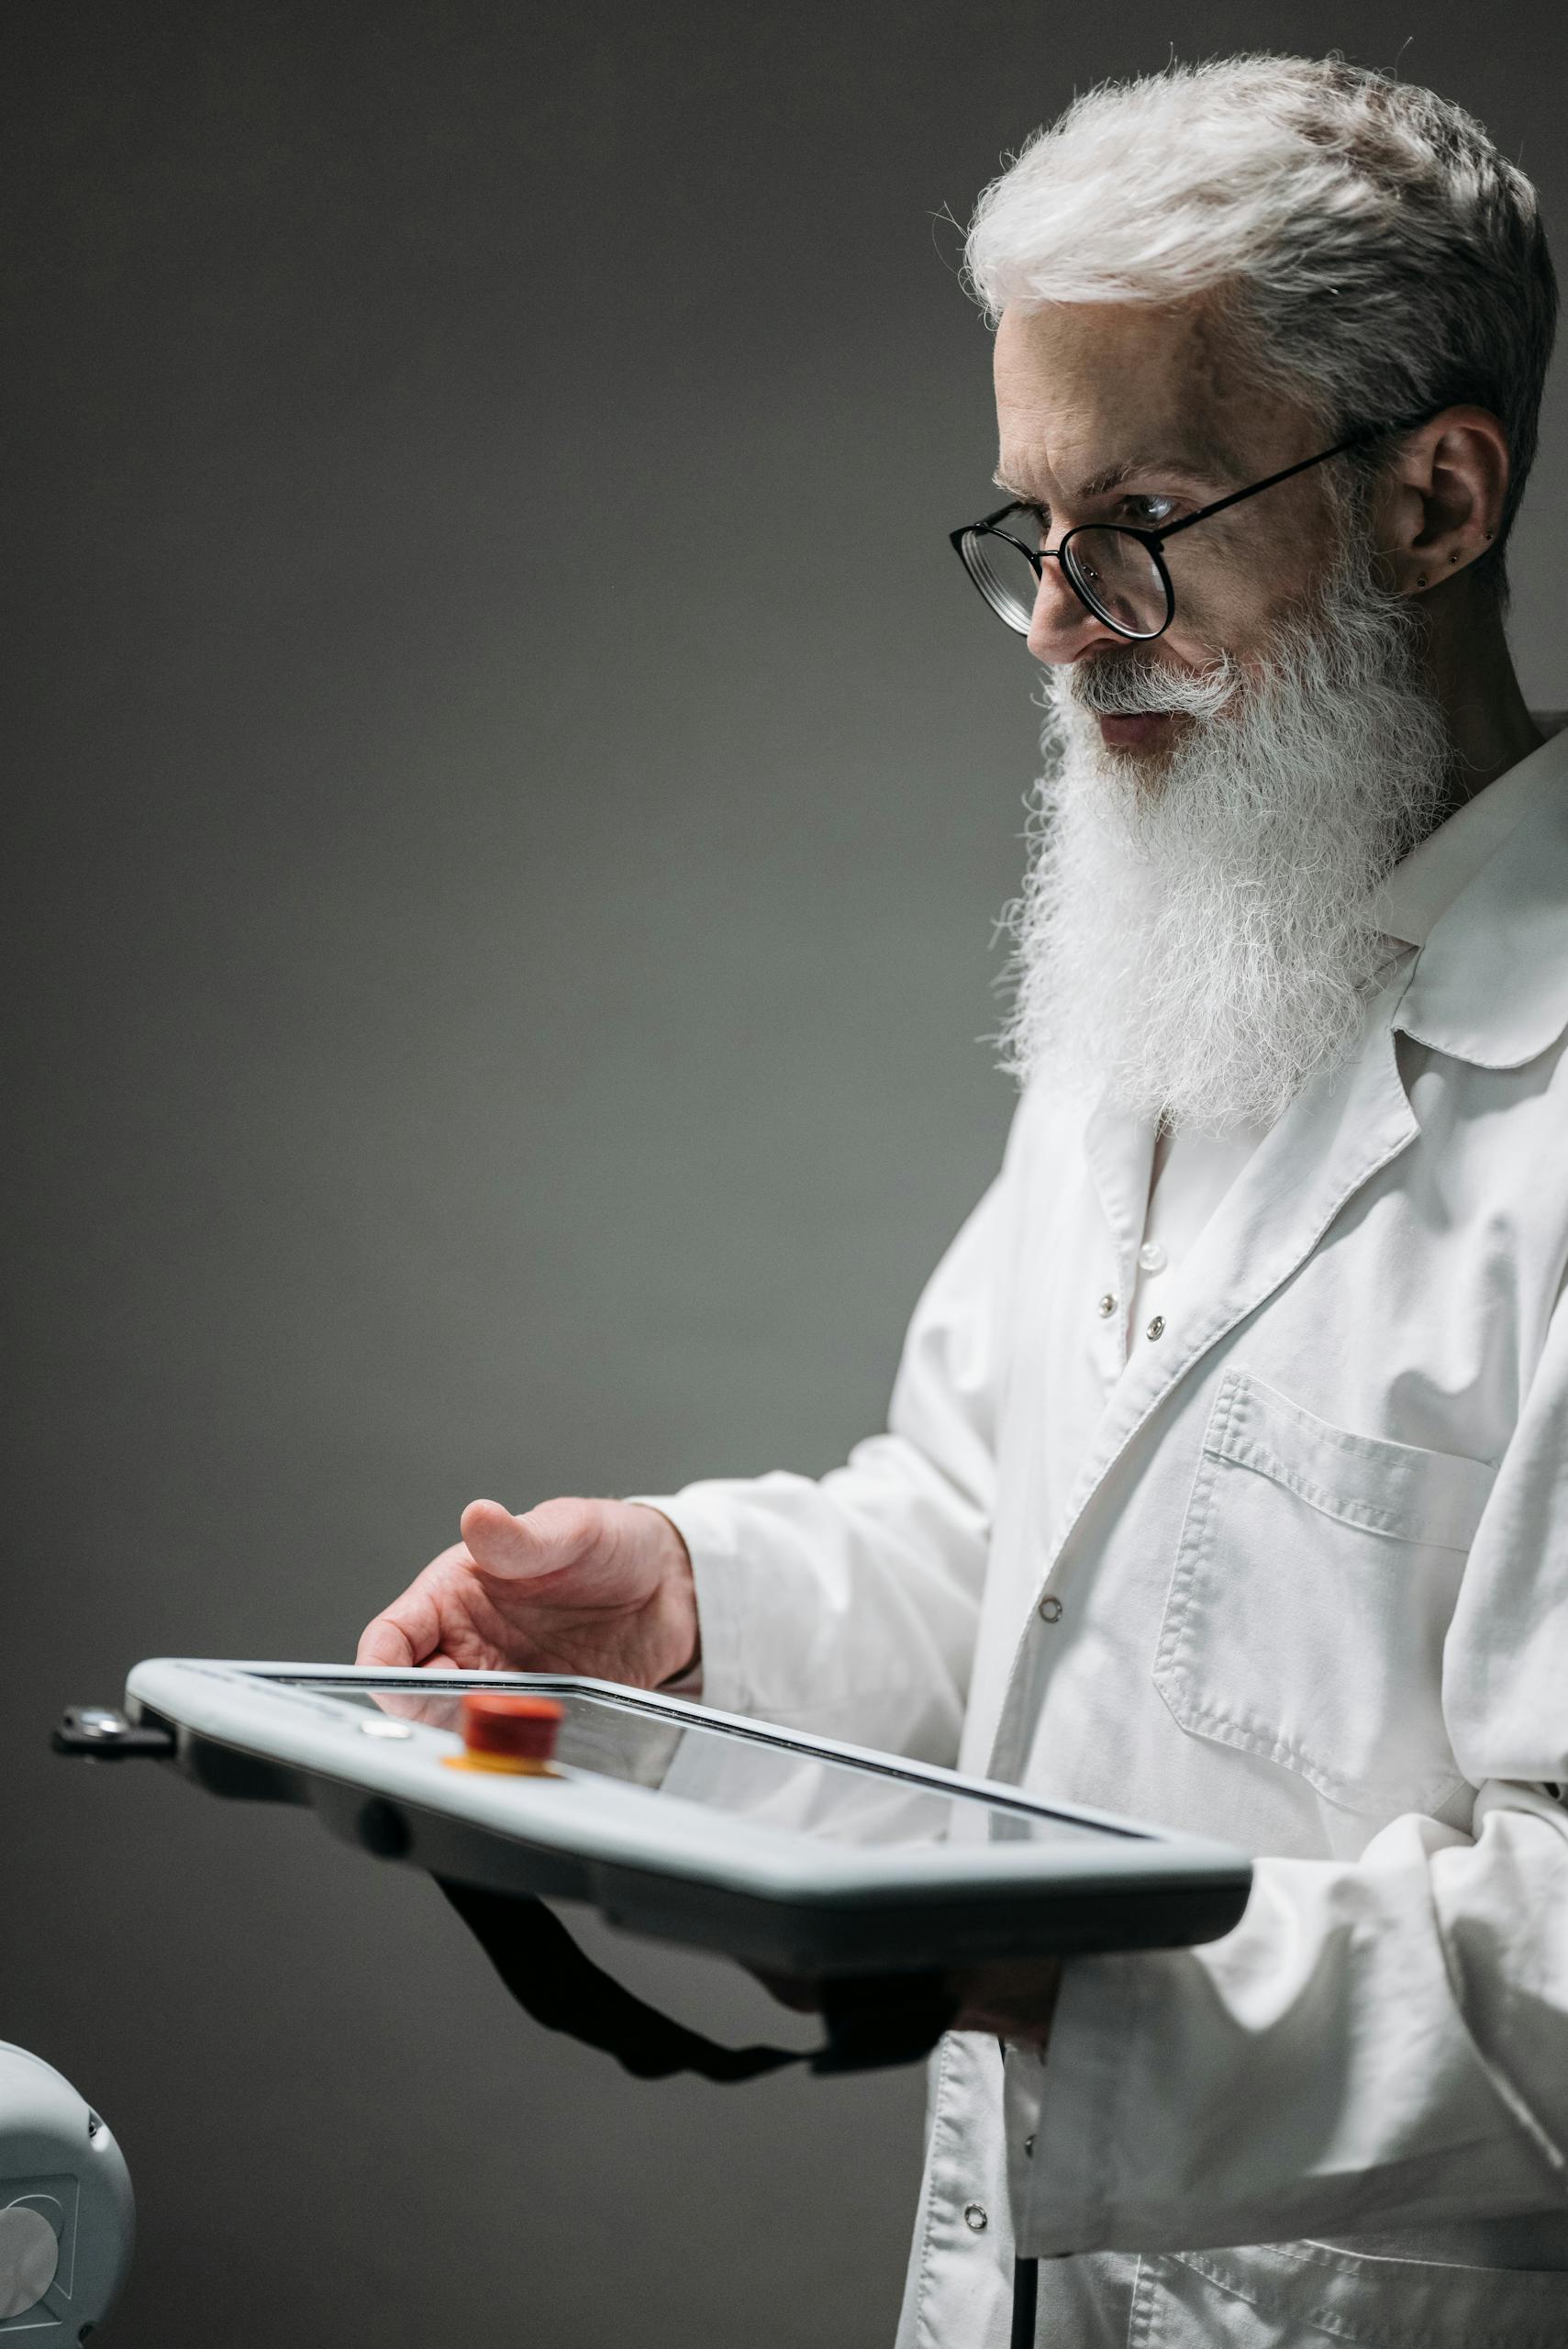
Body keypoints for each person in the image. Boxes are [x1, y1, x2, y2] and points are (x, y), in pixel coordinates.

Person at [359, 55, 1568, 2346]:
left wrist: (1036, 1954)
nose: (1053, 623)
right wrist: (692, 1604)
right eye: (1026, 527)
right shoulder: (1194, 949)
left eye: (1142, 517)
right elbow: (1005, 1527)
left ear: (1435, 496)